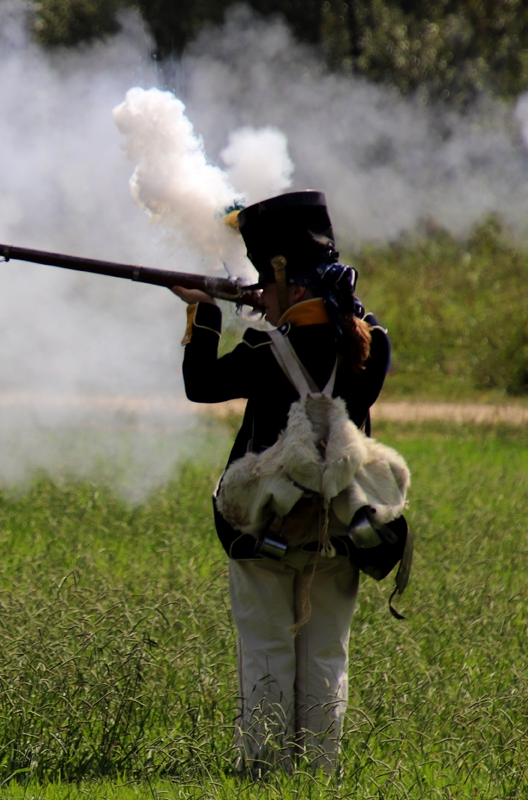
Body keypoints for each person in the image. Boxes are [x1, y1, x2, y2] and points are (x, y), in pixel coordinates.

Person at [170, 191, 392, 777]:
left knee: (266, 653)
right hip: (343, 528)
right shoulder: (370, 341)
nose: (259, 296)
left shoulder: (267, 348)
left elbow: (201, 385)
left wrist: (209, 308)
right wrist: (271, 305)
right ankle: (319, 774)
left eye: (265, 285)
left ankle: (264, 773)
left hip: (262, 526)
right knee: (325, 655)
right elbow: (346, 324)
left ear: (286, 279)